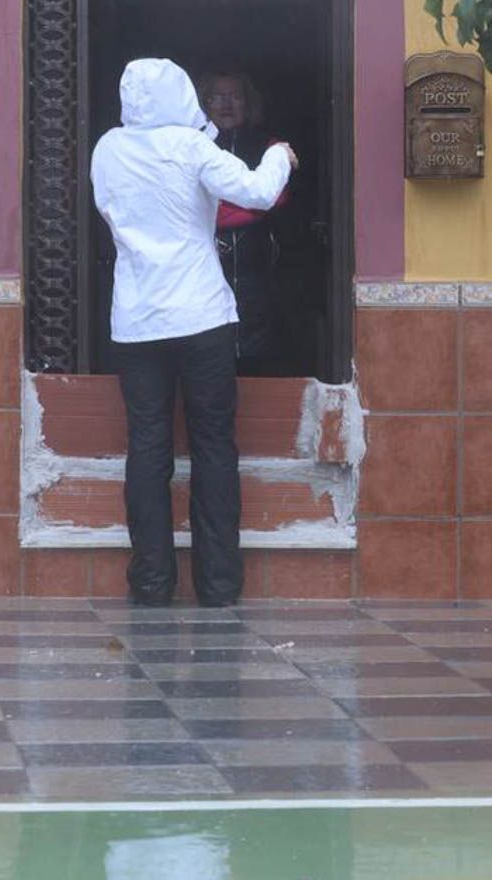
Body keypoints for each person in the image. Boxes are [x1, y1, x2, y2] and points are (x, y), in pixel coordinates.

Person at [90, 58, 297, 607]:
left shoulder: (107, 149)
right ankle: (220, 585)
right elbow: (256, 192)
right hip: (202, 318)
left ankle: (152, 584)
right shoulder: (192, 147)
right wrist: (279, 155)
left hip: (135, 322)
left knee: (148, 448)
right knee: (212, 448)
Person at [198, 71, 292, 375]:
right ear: (205, 101)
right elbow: (195, 204)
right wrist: (252, 205)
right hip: (206, 275)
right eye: (218, 96)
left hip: (262, 275)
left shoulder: (269, 145)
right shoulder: (195, 146)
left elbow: (276, 196)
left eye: (235, 96)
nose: (226, 104)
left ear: (248, 103)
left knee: (262, 362)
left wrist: (225, 207)